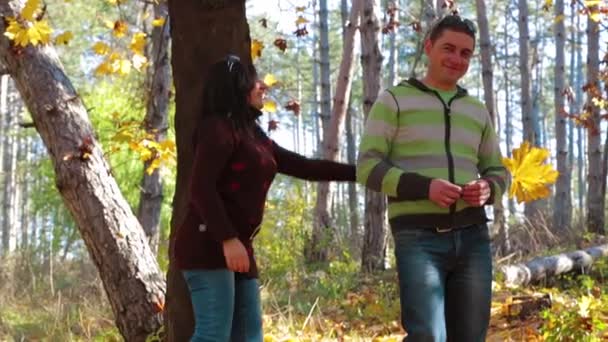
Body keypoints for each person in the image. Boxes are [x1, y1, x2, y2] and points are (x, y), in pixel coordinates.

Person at [174, 54, 356, 342]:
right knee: (213, 335)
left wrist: (361, 173)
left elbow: (304, 167)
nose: (262, 86)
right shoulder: (217, 128)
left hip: (239, 247)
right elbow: (201, 188)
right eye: (254, 80)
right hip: (207, 245)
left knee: (249, 337)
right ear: (237, 86)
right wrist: (227, 239)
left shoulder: (252, 134)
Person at [356, 14, 507, 342]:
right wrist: (425, 187)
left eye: (465, 53)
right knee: (427, 336)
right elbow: (367, 166)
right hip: (418, 238)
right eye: (448, 48)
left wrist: (488, 189)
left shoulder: (476, 110)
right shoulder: (394, 100)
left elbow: (498, 170)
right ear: (429, 47)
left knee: (470, 336)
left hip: (473, 238)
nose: (456, 59)